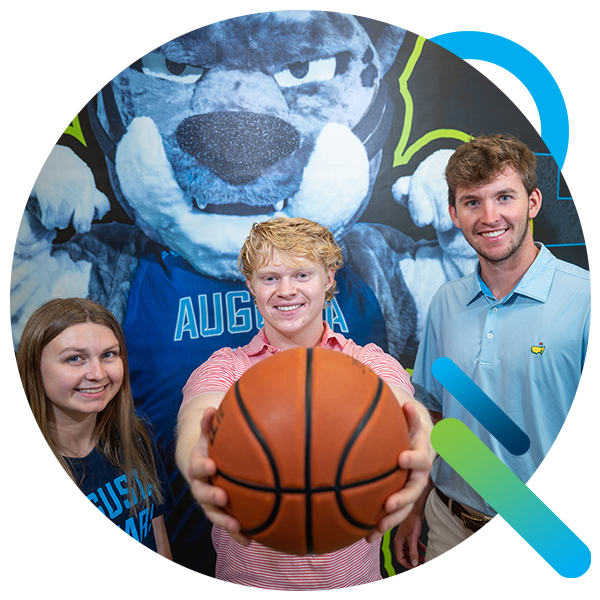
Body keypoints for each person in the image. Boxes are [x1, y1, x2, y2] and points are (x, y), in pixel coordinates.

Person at [175, 216, 434, 590]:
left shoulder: (367, 362)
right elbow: (198, 416)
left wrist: (419, 437)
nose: (285, 290)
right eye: (270, 278)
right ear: (250, 286)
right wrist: (194, 458)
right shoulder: (225, 368)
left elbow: (402, 406)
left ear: (328, 279)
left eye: (301, 275)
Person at [394, 134, 591, 568]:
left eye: (505, 197)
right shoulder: (445, 301)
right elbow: (434, 413)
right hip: (448, 527)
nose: (489, 217)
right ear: (453, 214)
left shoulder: (586, 302)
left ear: (533, 202)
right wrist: (414, 505)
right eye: (472, 202)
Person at [10, 298, 176, 591]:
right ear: (34, 367)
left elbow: (158, 545)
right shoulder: (15, 482)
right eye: (75, 358)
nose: (98, 373)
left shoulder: (135, 434)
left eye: (109, 355)